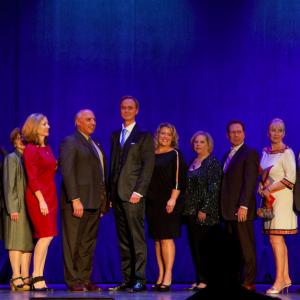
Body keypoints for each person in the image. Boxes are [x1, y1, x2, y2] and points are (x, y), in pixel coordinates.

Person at [60, 109, 109, 292]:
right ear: (78, 122)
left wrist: (105, 199)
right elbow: (67, 172)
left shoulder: (95, 143)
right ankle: (73, 280)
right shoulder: (70, 142)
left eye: (94, 119)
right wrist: (75, 199)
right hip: (77, 203)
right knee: (73, 242)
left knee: (88, 243)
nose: (93, 122)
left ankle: (85, 278)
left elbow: (101, 174)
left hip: (94, 202)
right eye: (88, 119)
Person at [109, 95, 155, 292]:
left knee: (136, 238)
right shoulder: (114, 135)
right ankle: (127, 279)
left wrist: (139, 191)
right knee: (123, 240)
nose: (126, 111)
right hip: (117, 196)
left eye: (130, 108)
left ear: (136, 110)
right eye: (123, 108)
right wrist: (110, 195)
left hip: (133, 195)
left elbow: (148, 167)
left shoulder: (143, 136)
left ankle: (139, 279)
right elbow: (112, 167)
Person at [146, 123, 186, 292]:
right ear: (158, 134)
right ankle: (160, 275)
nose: (165, 137)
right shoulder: (151, 154)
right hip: (152, 202)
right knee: (157, 240)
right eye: (162, 133)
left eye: (168, 134)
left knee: (166, 238)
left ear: (173, 137)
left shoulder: (175, 154)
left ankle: (168, 276)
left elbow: (179, 179)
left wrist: (173, 199)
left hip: (169, 201)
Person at [258, 118, 297, 294]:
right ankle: (286, 278)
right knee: (275, 239)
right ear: (268, 132)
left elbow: (290, 179)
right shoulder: (265, 152)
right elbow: (263, 175)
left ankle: (279, 280)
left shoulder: (287, 152)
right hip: (268, 200)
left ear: (284, 133)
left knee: (276, 239)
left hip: (281, 200)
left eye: (279, 130)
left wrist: (268, 188)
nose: (276, 133)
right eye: (273, 130)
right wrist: (261, 187)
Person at [220, 120, 259, 292]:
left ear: (244, 133)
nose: (235, 135)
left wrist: (243, 205)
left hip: (241, 210)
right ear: (228, 135)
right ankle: (235, 280)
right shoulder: (226, 155)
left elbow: (250, 182)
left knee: (246, 247)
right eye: (232, 132)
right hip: (227, 210)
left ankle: (248, 281)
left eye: (238, 131)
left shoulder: (249, 153)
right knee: (232, 249)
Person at [22, 113, 58, 291]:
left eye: (48, 123)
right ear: (35, 127)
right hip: (38, 197)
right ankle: (36, 275)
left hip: (50, 195)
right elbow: (33, 178)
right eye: (44, 124)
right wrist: (41, 200)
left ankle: (39, 274)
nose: (48, 126)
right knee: (44, 236)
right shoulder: (30, 149)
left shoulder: (47, 148)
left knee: (48, 236)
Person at [183, 131, 222, 291]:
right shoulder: (193, 161)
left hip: (205, 211)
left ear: (208, 144)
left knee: (206, 248)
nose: (198, 144)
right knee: (195, 247)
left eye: (202, 142)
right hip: (190, 211)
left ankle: (207, 280)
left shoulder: (212, 162)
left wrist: (204, 209)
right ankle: (200, 278)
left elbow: (214, 188)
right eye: (196, 142)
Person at [3, 128, 33, 291]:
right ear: (14, 140)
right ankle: (15, 276)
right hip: (17, 206)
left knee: (27, 243)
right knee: (16, 241)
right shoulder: (12, 158)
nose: (22, 140)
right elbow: (9, 185)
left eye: (24, 137)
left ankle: (25, 274)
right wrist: (13, 207)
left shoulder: (27, 157)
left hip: (29, 207)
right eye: (19, 137)